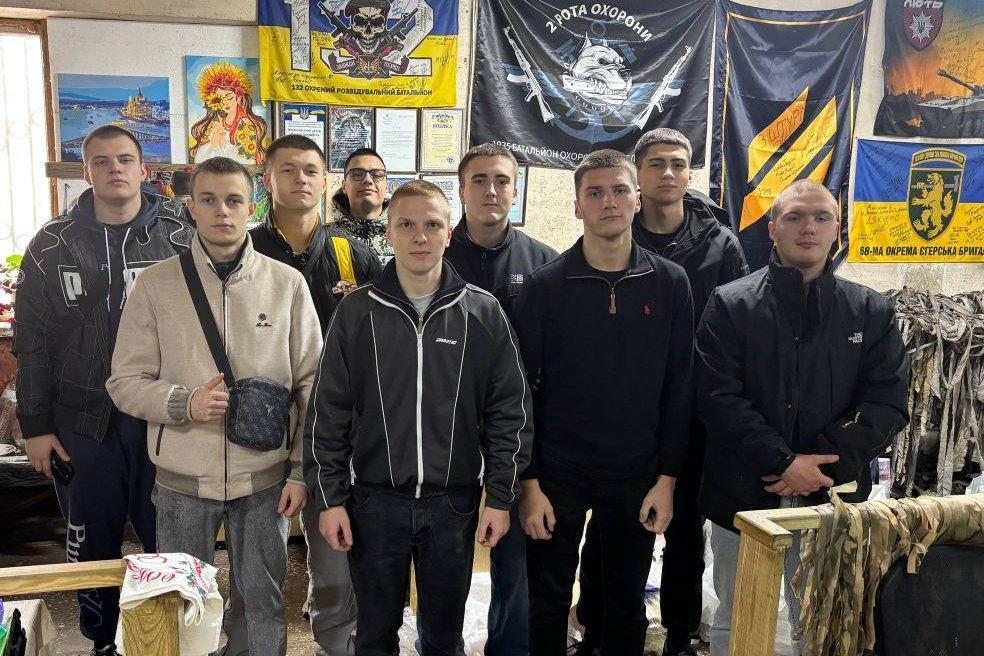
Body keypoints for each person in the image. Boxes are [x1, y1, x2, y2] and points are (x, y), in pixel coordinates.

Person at [306, 180, 532, 656]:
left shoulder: (482, 312)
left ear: (450, 232)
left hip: (453, 504)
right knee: (374, 635)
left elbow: (509, 411)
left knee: (444, 637)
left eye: (432, 224)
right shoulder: (356, 312)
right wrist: (330, 500)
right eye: (406, 224)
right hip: (373, 502)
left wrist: (499, 496)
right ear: (388, 232)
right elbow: (328, 411)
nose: (420, 236)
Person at [106, 156, 322, 656]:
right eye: (209, 199)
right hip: (181, 482)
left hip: (265, 481)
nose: (222, 211)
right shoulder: (156, 284)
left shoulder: (287, 284)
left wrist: (298, 470)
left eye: (233, 200)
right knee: (181, 603)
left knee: (263, 601)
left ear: (252, 207)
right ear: (191, 207)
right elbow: (124, 382)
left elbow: (312, 385)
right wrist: (183, 402)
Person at [695, 179, 909, 656]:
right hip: (743, 493)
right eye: (793, 217)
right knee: (737, 616)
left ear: (837, 228)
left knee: (819, 620)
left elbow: (887, 401)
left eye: (820, 217)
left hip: (831, 499)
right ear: (772, 229)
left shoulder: (870, 311)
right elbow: (716, 396)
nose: (807, 227)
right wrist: (782, 461)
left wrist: (819, 467)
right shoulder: (731, 304)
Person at [14, 124, 191, 656]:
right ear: (85, 172)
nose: (115, 168)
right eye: (101, 161)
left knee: (168, 540)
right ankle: (101, 643)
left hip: (162, 416)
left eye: (125, 159)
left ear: (143, 170)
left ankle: (169, 640)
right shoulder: (52, 244)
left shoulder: (180, 234)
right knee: (92, 541)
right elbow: (32, 341)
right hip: (82, 421)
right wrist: (36, 426)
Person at [513, 149, 694, 655]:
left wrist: (667, 481)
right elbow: (523, 392)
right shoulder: (545, 287)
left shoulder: (670, 283)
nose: (608, 202)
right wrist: (529, 484)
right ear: (577, 206)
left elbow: (680, 386)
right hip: (557, 473)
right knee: (547, 600)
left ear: (637, 200)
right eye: (595, 193)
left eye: (619, 190)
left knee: (624, 602)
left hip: (636, 473)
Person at [576, 128, 749, 656]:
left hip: (693, 409)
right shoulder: (615, 233)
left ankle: (679, 631)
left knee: (685, 529)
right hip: (625, 411)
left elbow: (738, 327)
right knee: (608, 526)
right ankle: (597, 625)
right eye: (656, 164)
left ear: (690, 172)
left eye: (678, 163)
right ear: (638, 174)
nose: (668, 173)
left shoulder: (720, 244)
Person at [247, 133, 379, 656]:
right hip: (260, 424)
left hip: (334, 427)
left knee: (333, 553)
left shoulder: (353, 254)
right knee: (257, 555)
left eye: (310, 170)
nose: (300, 179)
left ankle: (337, 642)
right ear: (268, 180)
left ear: (325, 182)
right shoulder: (246, 250)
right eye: (288, 169)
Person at [431, 142, 556, 656]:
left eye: (501, 180)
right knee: (443, 564)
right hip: (445, 435)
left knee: (516, 562)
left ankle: (508, 648)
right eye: (479, 180)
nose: (491, 190)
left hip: (517, 435)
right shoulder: (434, 256)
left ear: (515, 188)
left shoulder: (544, 264)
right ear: (461, 190)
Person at [189, 60, 269, 166]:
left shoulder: (245, 124)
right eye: (220, 98)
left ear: (238, 98)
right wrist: (212, 145)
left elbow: (247, 160)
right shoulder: (213, 124)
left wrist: (220, 147)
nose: (225, 102)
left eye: (229, 97)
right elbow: (199, 160)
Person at [329, 147, 392, 263]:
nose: (368, 180)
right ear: (344, 186)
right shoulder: (324, 238)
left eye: (377, 175)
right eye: (357, 174)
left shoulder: (404, 235)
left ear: (386, 187)